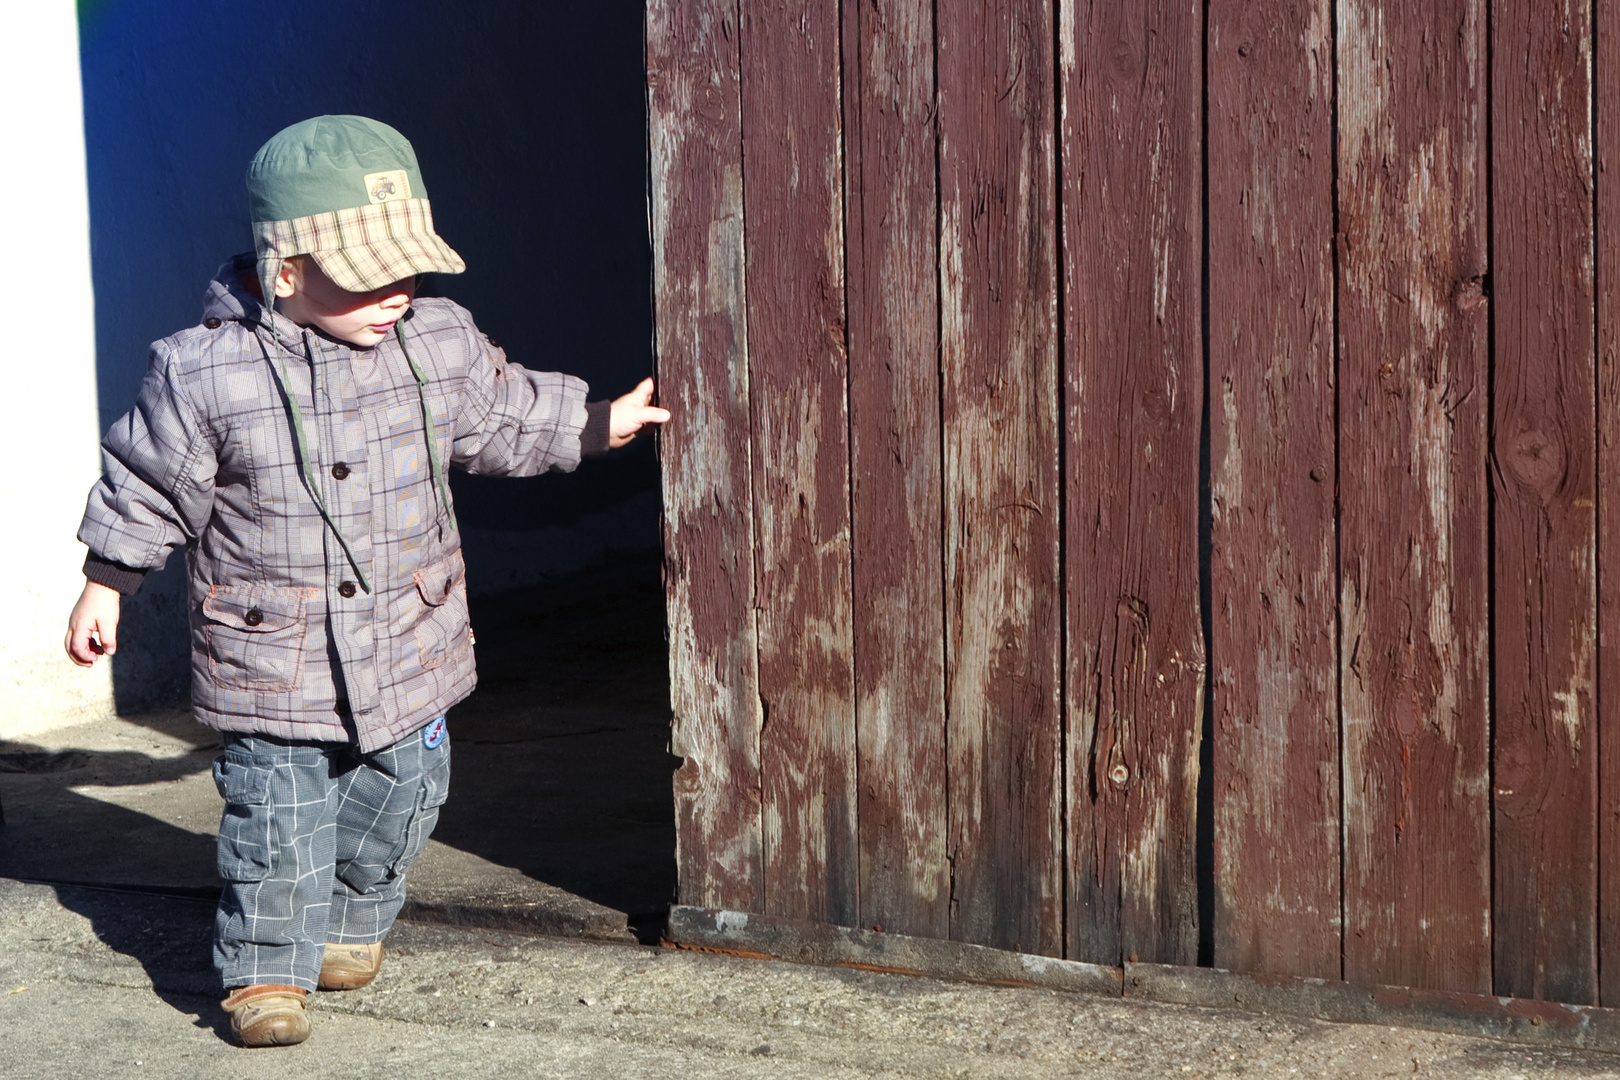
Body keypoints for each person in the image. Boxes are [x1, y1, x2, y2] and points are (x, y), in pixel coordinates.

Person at [62, 115, 669, 1048]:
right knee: (279, 816)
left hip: (410, 639)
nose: (398, 293)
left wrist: (593, 422)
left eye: (409, 269)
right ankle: (267, 973)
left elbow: (502, 414)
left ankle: (349, 917)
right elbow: (149, 481)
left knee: (409, 790)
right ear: (286, 270)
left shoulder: (435, 342)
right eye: (370, 274)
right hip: (274, 654)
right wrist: (108, 580)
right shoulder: (204, 372)